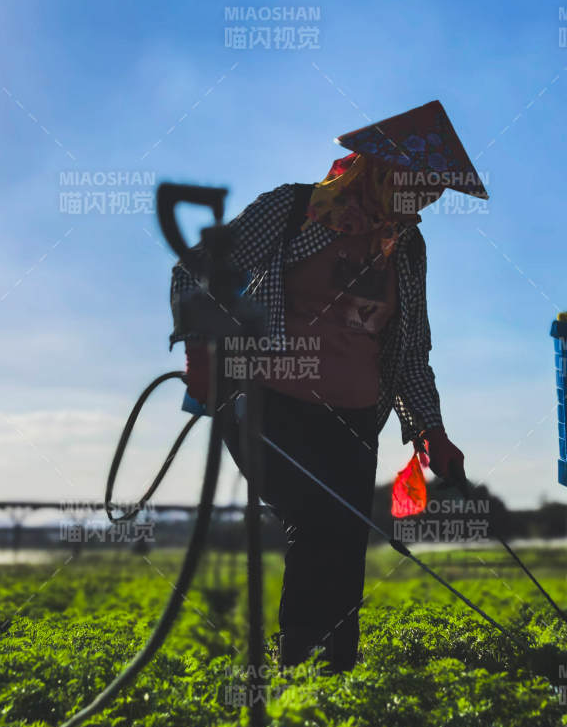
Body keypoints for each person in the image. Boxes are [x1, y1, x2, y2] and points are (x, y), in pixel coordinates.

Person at [169, 100, 487, 674]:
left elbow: (409, 350)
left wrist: (429, 430)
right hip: (268, 403)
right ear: (384, 170)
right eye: (425, 185)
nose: (431, 202)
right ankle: (296, 663)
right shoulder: (295, 210)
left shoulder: (408, 247)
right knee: (317, 519)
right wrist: (201, 349)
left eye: (438, 191)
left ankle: (338, 669)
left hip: (356, 419)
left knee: (345, 537)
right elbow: (197, 268)